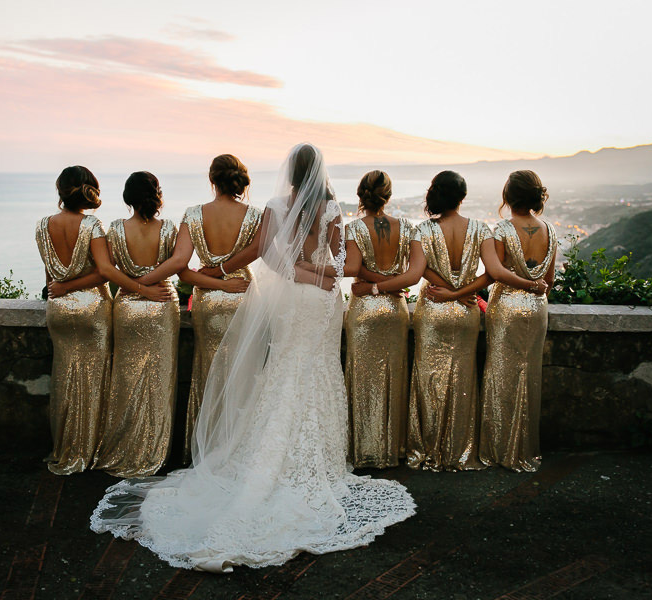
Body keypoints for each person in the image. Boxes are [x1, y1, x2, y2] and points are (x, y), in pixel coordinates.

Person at [90, 144, 415, 573]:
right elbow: (337, 265)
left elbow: (267, 253)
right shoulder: (333, 208)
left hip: (292, 299)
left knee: (284, 367)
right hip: (321, 303)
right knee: (318, 369)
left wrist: (293, 273)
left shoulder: (276, 204)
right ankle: (320, 462)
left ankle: (264, 457)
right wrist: (315, 276)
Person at [165, 155, 261, 462]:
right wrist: (228, 280)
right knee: (245, 371)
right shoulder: (256, 215)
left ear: (212, 180)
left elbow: (182, 270)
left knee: (208, 371)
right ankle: (242, 449)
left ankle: (207, 449)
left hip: (208, 299)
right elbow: (260, 253)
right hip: (245, 294)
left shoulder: (194, 214)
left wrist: (215, 280)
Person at [92, 172, 182, 478]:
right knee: (160, 381)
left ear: (128, 197)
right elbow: (179, 265)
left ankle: (125, 449)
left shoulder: (115, 229)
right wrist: (150, 285)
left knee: (125, 380)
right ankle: (155, 452)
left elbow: (107, 270)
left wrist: (135, 287)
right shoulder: (169, 229)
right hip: (162, 305)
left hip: (128, 306)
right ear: (157, 195)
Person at [406, 171, 495, 471]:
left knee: (428, 378)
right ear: (462, 197)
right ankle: (459, 451)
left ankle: (428, 449)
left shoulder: (421, 230)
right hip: (466, 311)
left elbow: (418, 271)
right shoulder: (481, 229)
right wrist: (461, 292)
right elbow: (491, 274)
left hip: (433, 307)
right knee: (462, 380)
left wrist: (447, 292)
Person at [342, 170, 425, 468]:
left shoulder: (352, 228)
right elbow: (412, 277)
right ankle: (391, 449)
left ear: (360, 195)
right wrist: (390, 281)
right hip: (394, 310)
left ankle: (362, 450)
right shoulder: (408, 227)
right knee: (394, 376)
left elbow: (353, 268)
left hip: (363, 310)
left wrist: (372, 285)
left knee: (361, 379)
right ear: (388, 196)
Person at [35, 166, 112, 475]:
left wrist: (60, 289)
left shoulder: (43, 225)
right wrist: (72, 285)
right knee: (95, 380)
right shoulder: (92, 225)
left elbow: (49, 274)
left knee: (65, 377)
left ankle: (65, 448)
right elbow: (104, 271)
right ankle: (91, 449)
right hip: (91, 307)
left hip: (59, 309)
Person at [478, 170, 557, 472]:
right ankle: (523, 448)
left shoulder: (501, 229)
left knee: (500, 375)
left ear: (507, 197)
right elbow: (548, 280)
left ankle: (498, 448)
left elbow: (496, 273)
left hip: (507, 305)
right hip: (537, 308)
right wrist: (534, 286)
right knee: (529, 375)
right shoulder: (549, 229)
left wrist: (521, 285)